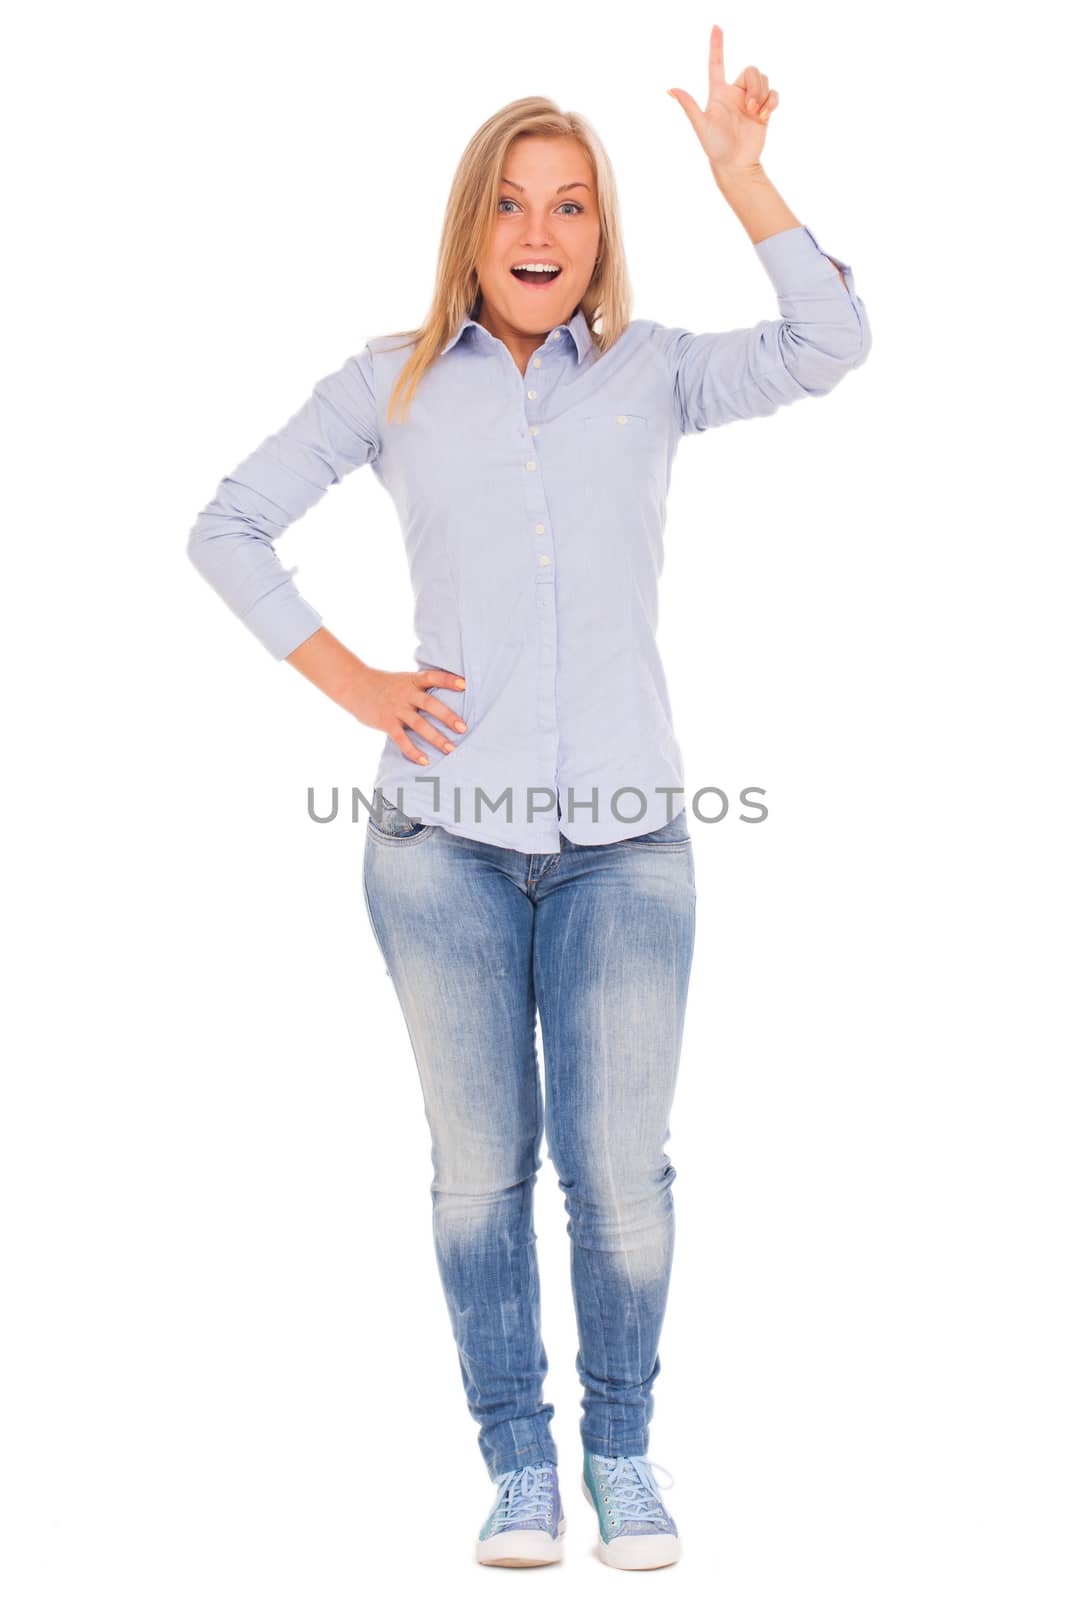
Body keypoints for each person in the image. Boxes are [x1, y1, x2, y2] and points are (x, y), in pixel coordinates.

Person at [187, 23, 871, 1572]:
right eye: (512, 202)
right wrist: (355, 684)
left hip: (630, 851)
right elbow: (228, 526)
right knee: (477, 1173)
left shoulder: (657, 375)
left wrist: (747, 180)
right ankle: (518, 1469)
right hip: (440, 854)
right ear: (470, 226)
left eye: (570, 205)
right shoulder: (392, 383)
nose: (541, 232)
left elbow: (831, 349)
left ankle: (622, 1451)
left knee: (620, 1179)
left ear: (603, 232)